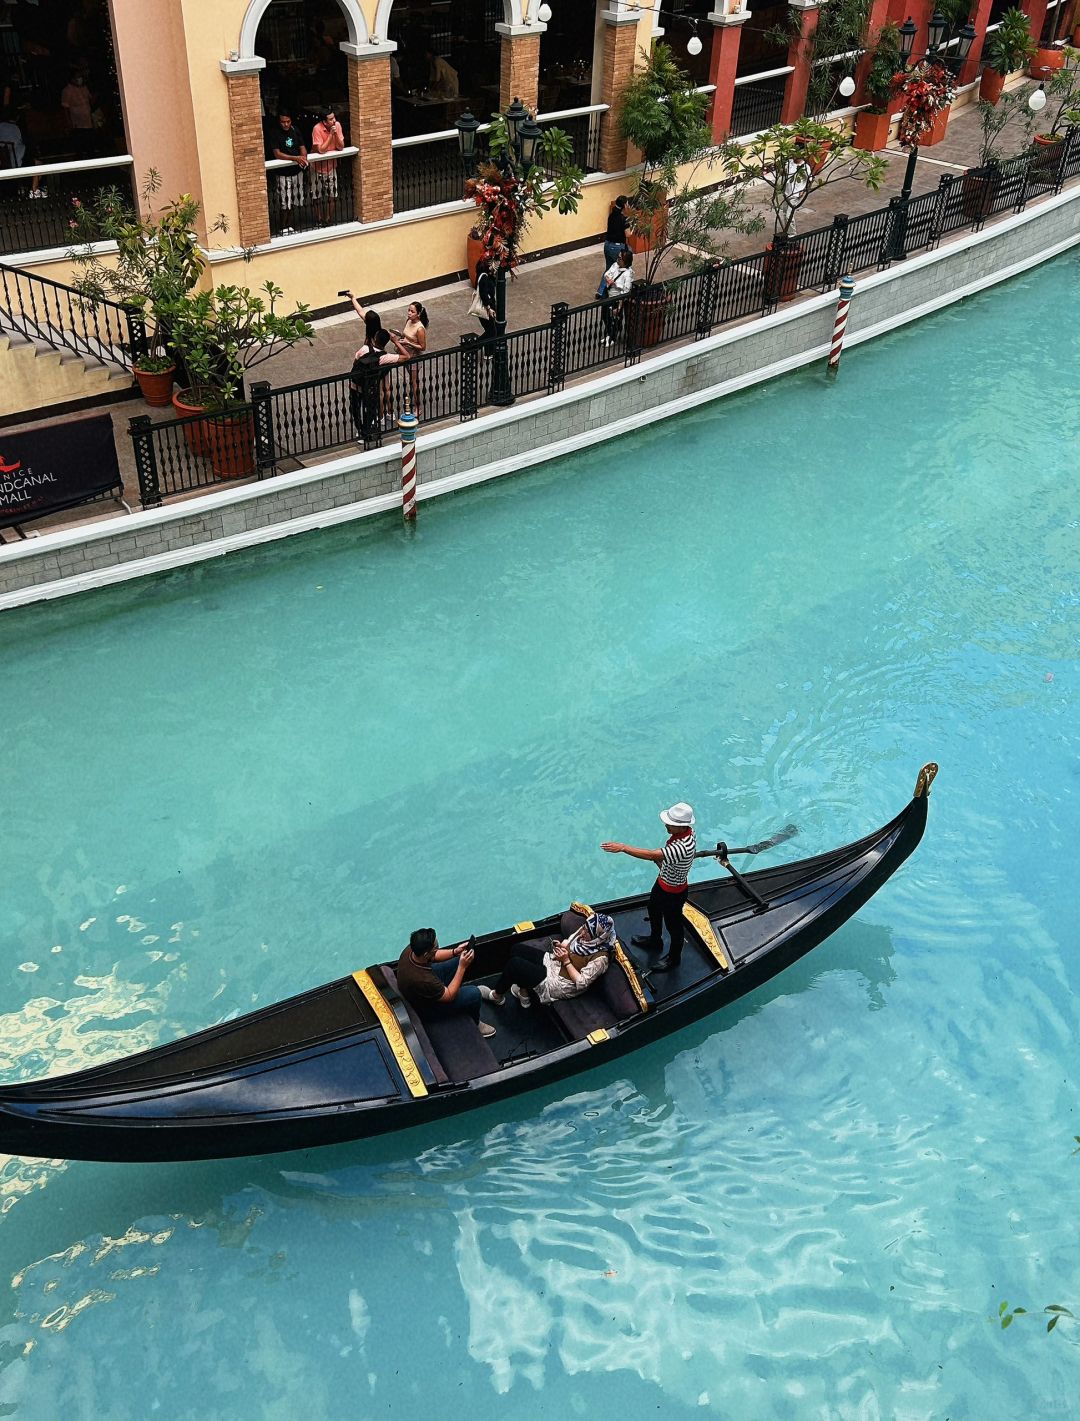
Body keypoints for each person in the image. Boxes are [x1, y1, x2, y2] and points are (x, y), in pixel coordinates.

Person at [602, 802, 697, 971]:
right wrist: (662, 863)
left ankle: (674, 958)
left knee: (673, 926)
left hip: (674, 893)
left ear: (682, 827)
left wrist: (623, 847)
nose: (666, 825)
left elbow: (653, 855)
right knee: (653, 908)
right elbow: (661, 856)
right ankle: (655, 940)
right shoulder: (687, 834)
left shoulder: (681, 847)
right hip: (663, 882)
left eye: (670, 824)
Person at [488, 911, 614, 1009]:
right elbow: (568, 945)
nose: (582, 933)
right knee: (517, 949)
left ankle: (497, 996)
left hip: (562, 983)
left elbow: (581, 983)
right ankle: (524, 992)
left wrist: (566, 961)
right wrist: (559, 946)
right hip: (555, 962)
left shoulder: (601, 959)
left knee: (515, 965)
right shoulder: (584, 930)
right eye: (584, 928)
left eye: (587, 932)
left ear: (598, 937)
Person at [395, 928, 497, 1037]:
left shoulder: (412, 949)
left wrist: (455, 952)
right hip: (427, 1008)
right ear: (426, 954)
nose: (438, 948)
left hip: (423, 988)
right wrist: (462, 967)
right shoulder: (424, 980)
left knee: (460, 959)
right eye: (436, 947)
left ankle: (459, 991)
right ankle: (476, 1023)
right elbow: (449, 996)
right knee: (474, 994)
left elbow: (434, 955)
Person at [267, 111, 307, 235]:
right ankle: (283, 227)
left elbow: (302, 147)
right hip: (283, 173)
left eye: (288, 122)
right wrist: (295, 158)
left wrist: (303, 157)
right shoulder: (275, 133)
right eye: (283, 122)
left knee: (294, 200)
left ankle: (289, 225)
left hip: (296, 172)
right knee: (285, 202)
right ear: (279, 122)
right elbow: (277, 153)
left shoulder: (295, 130)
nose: (285, 124)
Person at [309, 107, 344, 225]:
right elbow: (321, 150)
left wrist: (336, 135)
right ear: (324, 122)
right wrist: (330, 135)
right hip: (316, 167)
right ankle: (319, 219)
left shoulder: (337, 125)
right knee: (316, 195)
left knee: (332, 195)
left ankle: (328, 219)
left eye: (334, 118)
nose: (334, 121)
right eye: (330, 119)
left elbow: (341, 147)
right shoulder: (317, 129)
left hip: (331, 166)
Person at [599, 248, 634, 347]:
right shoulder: (615, 265)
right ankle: (609, 334)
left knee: (615, 319)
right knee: (605, 316)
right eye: (618, 258)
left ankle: (613, 337)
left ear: (625, 261)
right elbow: (607, 273)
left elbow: (626, 290)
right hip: (608, 295)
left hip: (617, 299)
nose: (617, 260)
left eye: (620, 258)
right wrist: (609, 279)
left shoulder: (628, 274)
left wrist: (619, 307)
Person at [60, 68, 95, 158]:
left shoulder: (84, 88)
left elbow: (90, 100)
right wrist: (69, 122)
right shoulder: (67, 90)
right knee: (80, 144)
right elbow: (65, 108)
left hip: (88, 121)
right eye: (78, 77)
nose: (80, 79)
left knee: (90, 144)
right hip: (77, 123)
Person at [603, 194, 630, 271]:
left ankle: (604, 283)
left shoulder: (611, 215)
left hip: (607, 244)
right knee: (619, 270)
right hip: (617, 247)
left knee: (609, 270)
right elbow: (628, 234)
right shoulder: (623, 219)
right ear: (625, 205)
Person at [475, 259, 498, 343]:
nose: (494, 266)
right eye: (493, 264)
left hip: (488, 307)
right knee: (491, 332)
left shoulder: (483, 275)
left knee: (490, 331)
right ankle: (474, 347)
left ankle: (488, 353)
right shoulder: (484, 277)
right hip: (486, 308)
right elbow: (483, 294)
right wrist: (489, 308)